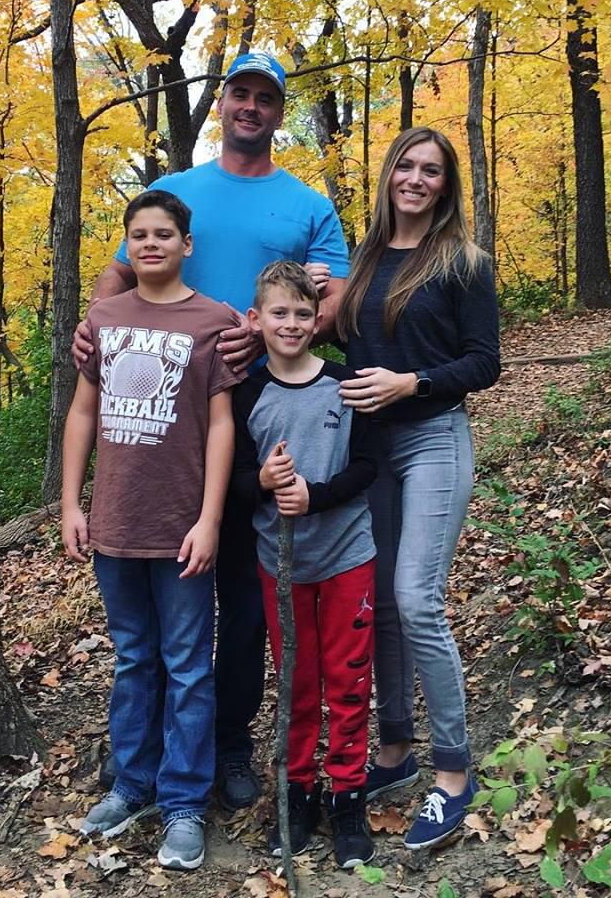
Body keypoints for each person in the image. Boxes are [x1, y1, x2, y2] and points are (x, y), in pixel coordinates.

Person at [73, 52, 349, 811]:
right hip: (159, 419)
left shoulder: (306, 206)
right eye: (240, 93)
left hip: (255, 410)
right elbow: (118, 275)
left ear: (278, 112)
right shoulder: (178, 195)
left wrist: (265, 335)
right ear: (221, 100)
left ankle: (227, 744)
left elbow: (335, 299)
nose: (251, 107)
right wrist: (90, 329)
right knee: (165, 592)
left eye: (266, 98)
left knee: (242, 594)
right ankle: (148, 752)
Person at [62, 190, 239, 869]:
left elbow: (222, 423)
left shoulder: (213, 321)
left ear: (186, 244)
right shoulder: (104, 317)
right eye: (139, 234)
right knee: (135, 657)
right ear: (126, 246)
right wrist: (72, 506)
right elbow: (83, 413)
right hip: (114, 524)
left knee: (189, 666)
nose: (151, 244)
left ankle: (186, 803)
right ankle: (132, 783)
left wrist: (209, 518)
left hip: (181, 528)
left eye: (164, 233)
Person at [336, 127, 501, 850]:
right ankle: (396, 752)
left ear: (445, 185)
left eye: (431, 170)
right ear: (389, 174)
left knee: (417, 600)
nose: (415, 178)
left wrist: (413, 382)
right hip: (372, 450)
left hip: (435, 438)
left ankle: (454, 774)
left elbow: (483, 361)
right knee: (384, 611)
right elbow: (363, 346)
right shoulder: (365, 257)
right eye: (406, 164)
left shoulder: (464, 263)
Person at [232, 261, 383, 869]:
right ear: (256, 319)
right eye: (279, 313)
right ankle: (298, 790)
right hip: (281, 565)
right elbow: (234, 479)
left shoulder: (347, 384)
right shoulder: (246, 391)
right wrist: (264, 482)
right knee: (296, 679)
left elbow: (369, 465)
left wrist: (315, 495)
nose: (291, 324)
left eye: (302, 313)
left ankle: (347, 792)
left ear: (317, 318)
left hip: (347, 557)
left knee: (347, 679)